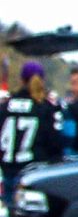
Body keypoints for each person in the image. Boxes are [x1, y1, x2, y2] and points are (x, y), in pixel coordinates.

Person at [0, 61, 64, 205]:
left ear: (21, 80)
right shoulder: (45, 108)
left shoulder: (5, 107)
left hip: (8, 169)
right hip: (35, 171)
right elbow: (55, 143)